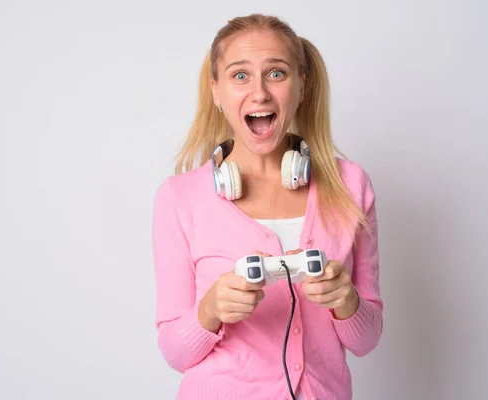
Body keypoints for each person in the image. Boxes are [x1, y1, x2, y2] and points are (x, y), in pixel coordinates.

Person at [151, 13, 383, 400]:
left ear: (302, 86)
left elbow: (367, 340)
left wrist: (348, 302)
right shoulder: (179, 198)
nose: (259, 93)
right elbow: (175, 353)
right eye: (239, 75)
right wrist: (210, 309)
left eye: (276, 73)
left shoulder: (351, 185)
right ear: (216, 91)